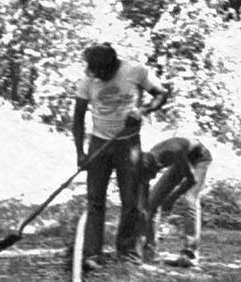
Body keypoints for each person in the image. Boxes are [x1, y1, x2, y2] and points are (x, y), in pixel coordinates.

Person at [71, 42, 166, 265]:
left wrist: (142, 111)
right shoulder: (87, 81)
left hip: (128, 144)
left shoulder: (136, 71)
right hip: (99, 143)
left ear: (113, 66)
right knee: (95, 201)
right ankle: (93, 253)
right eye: (95, 71)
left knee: (131, 200)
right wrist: (80, 153)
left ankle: (128, 253)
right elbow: (77, 118)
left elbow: (161, 94)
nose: (98, 76)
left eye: (103, 72)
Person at [137, 132, 213, 267]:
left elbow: (192, 180)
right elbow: (145, 197)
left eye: (152, 176)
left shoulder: (173, 152)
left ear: (154, 167)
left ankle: (190, 254)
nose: (153, 178)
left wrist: (171, 198)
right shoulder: (147, 160)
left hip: (200, 158)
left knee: (190, 199)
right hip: (182, 161)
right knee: (152, 201)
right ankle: (150, 251)